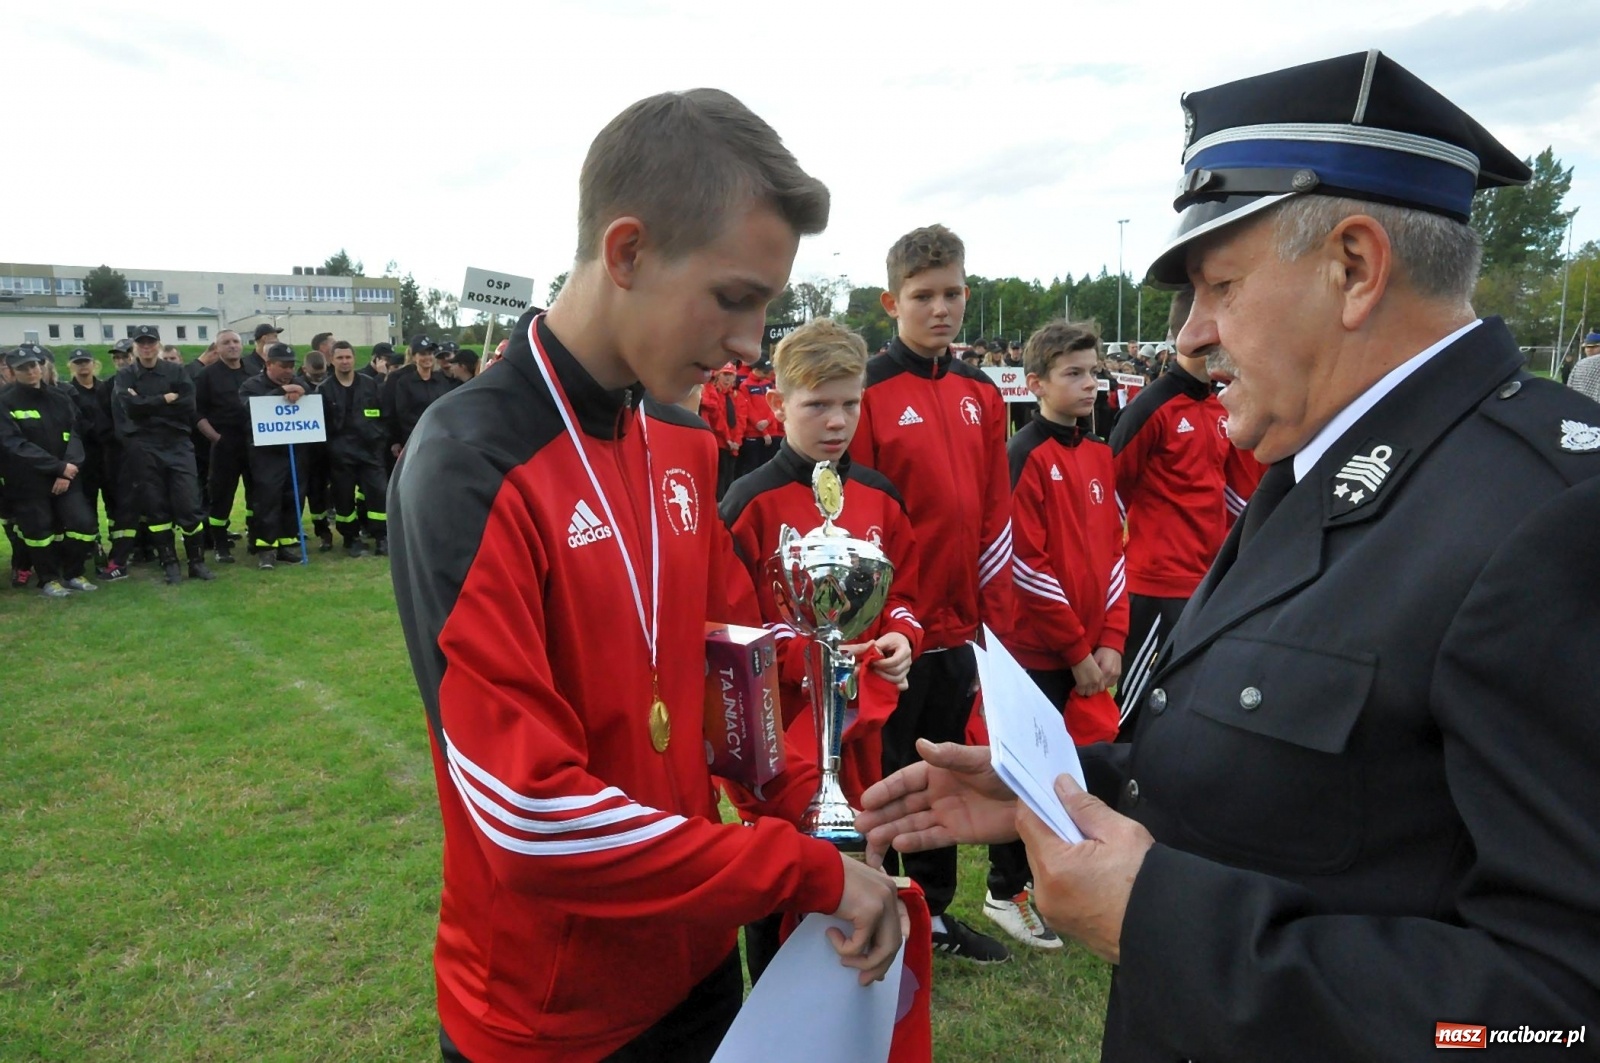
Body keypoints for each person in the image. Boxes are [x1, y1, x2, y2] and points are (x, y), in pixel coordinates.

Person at [858, 50, 1600, 1062]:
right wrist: (1073, 785)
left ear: (1353, 267)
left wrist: (1155, 919)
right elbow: (1311, 787)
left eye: (1218, 286)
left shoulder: (1553, 519)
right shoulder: (1319, 465)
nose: (1192, 338)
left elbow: (1554, 1016)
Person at [388, 88, 902, 1063]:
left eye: (766, 306)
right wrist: (794, 868)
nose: (752, 344)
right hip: (551, 1018)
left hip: (702, 968)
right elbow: (526, 813)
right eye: (733, 297)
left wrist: (818, 809)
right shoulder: (468, 459)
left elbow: (736, 681)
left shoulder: (683, 435)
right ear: (626, 253)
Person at [719, 317, 925, 982]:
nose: (837, 420)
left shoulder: (881, 497)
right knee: (782, 885)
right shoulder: (749, 504)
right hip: (784, 750)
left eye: (850, 402)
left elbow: (905, 594)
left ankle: (859, 1011)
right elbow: (731, 626)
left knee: (867, 860)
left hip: (867, 737)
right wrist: (810, 659)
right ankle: (780, 1013)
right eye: (817, 404)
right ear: (779, 405)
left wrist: (898, 635)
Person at [848, 223, 1014, 964]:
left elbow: (993, 512)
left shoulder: (983, 393)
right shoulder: (871, 393)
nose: (939, 308)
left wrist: (991, 616)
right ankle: (877, 900)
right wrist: (885, 622)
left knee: (944, 765)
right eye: (923, 296)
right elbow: (856, 516)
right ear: (893, 301)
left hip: (962, 626)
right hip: (895, 632)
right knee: (884, 769)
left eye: (951, 293)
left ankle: (937, 915)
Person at [980, 319, 1129, 951]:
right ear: (1035, 383)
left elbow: (1119, 551)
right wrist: (1074, 651)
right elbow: (1025, 562)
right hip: (1041, 650)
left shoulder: (1099, 455)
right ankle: (1002, 888)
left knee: (1078, 769)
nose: (1089, 383)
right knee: (1030, 773)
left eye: (1094, 371)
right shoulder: (1024, 455)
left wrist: (1112, 639)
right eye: (1074, 373)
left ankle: (1056, 880)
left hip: (1092, 650)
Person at [1107, 287, 1252, 731]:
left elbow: (1233, 496)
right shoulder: (1152, 407)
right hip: (1155, 586)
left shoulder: (1220, 403)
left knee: (1185, 705)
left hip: (1206, 582)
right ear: (1184, 332)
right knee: (1131, 711)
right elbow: (1107, 493)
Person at [111, 325, 214, 584]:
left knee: (189, 505)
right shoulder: (125, 376)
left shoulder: (176, 371)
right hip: (145, 446)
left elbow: (188, 404)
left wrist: (145, 402)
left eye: (151, 342)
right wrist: (164, 400)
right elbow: (129, 407)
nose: (146, 347)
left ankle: (197, 563)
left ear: (158, 344)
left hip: (177, 444)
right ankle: (169, 563)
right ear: (135, 347)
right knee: (156, 509)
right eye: (141, 343)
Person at [0, 344, 99, 597]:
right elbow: (14, 444)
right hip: (30, 481)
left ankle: (73, 573)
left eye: (35, 365)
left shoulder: (60, 397)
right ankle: (48, 579)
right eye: (24, 368)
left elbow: (75, 434)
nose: (32, 371)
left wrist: (67, 469)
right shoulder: (5, 402)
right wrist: (57, 467)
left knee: (84, 524)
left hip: (66, 478)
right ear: (13, 371)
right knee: (40, 530)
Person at [239, 343, 310, 570]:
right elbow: (251, 409)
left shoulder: (299, 383)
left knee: (292, 498)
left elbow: (314, 401)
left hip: (293, 451)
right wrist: (281, 392)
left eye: (292, 366)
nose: (289, 371)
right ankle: (266, 549)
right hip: (265, 455)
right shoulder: (252, 385)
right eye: (284, 366)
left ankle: (284, 545)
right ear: (268, 364)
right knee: (267, 500)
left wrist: (303, 392)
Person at [317, 342, 388, 556]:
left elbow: (382, 414)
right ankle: (351, 538)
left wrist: (378, 437)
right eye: (340, 358)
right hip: (340, 455)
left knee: (378, 494)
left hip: (369, 451)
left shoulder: (369, 384)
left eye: (348, 357)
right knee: (343, 499)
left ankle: (381, 537)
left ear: (354, 358)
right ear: (331, 360)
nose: (345, 361)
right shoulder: (324, 389)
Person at [194, 329, 251, 562]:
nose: (232, 346)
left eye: (236, 341)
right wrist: (215, 437)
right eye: (226, 342)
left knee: (258, 493)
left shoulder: (255, 371)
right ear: (217, 348)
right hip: (225, 443)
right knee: (221, 496)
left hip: (254, 442)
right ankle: (220, 544)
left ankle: (258, 539)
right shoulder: (207, 375)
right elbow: (197, 412)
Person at [65, 348, 115, 566]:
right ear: (71, 366)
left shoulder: (105, 388)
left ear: (94, 364)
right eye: (78, 362)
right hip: (85, 457)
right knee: (88, 503)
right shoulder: (68, 392)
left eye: (86, 361)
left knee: (115, 502)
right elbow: (74, 422)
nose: (83, 366)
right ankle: (94, 546)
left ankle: (120, 546)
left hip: (110, 454)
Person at [383, 335, 449, 465]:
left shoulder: (441, 381)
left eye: (430, 353)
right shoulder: (405, 382)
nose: (427, 357)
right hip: (414, 440)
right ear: (414, 357)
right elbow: (403, 413)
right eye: (422, 354)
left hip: (438, 439)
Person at [697, 361, 746, 498]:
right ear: (718, 375)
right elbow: (716, 417)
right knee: (718, 476)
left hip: (732, 444)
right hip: (718, 441)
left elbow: (741, 420)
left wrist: (736, 441)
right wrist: (728, 439)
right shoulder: (712, 392)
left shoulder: (737, 396)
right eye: (725, 374)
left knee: (730, 476)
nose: (728, 378)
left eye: (731, 375)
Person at [734, 355, 783, 478]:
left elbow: (774, 405)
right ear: (755, 370)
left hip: (771, 431)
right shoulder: (745, 385)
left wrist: (768, 420)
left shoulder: (768, 384)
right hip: (753, 433)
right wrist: (763, 430)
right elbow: (748, 409)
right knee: (752, 468)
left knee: (769, 467)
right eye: (764, 371)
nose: (767, 374)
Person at [1568, 329, 1600, 402]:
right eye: (1587, 347)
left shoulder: (1579, 364)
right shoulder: (1579, 365)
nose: (1589, 350)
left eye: (1594, 347)